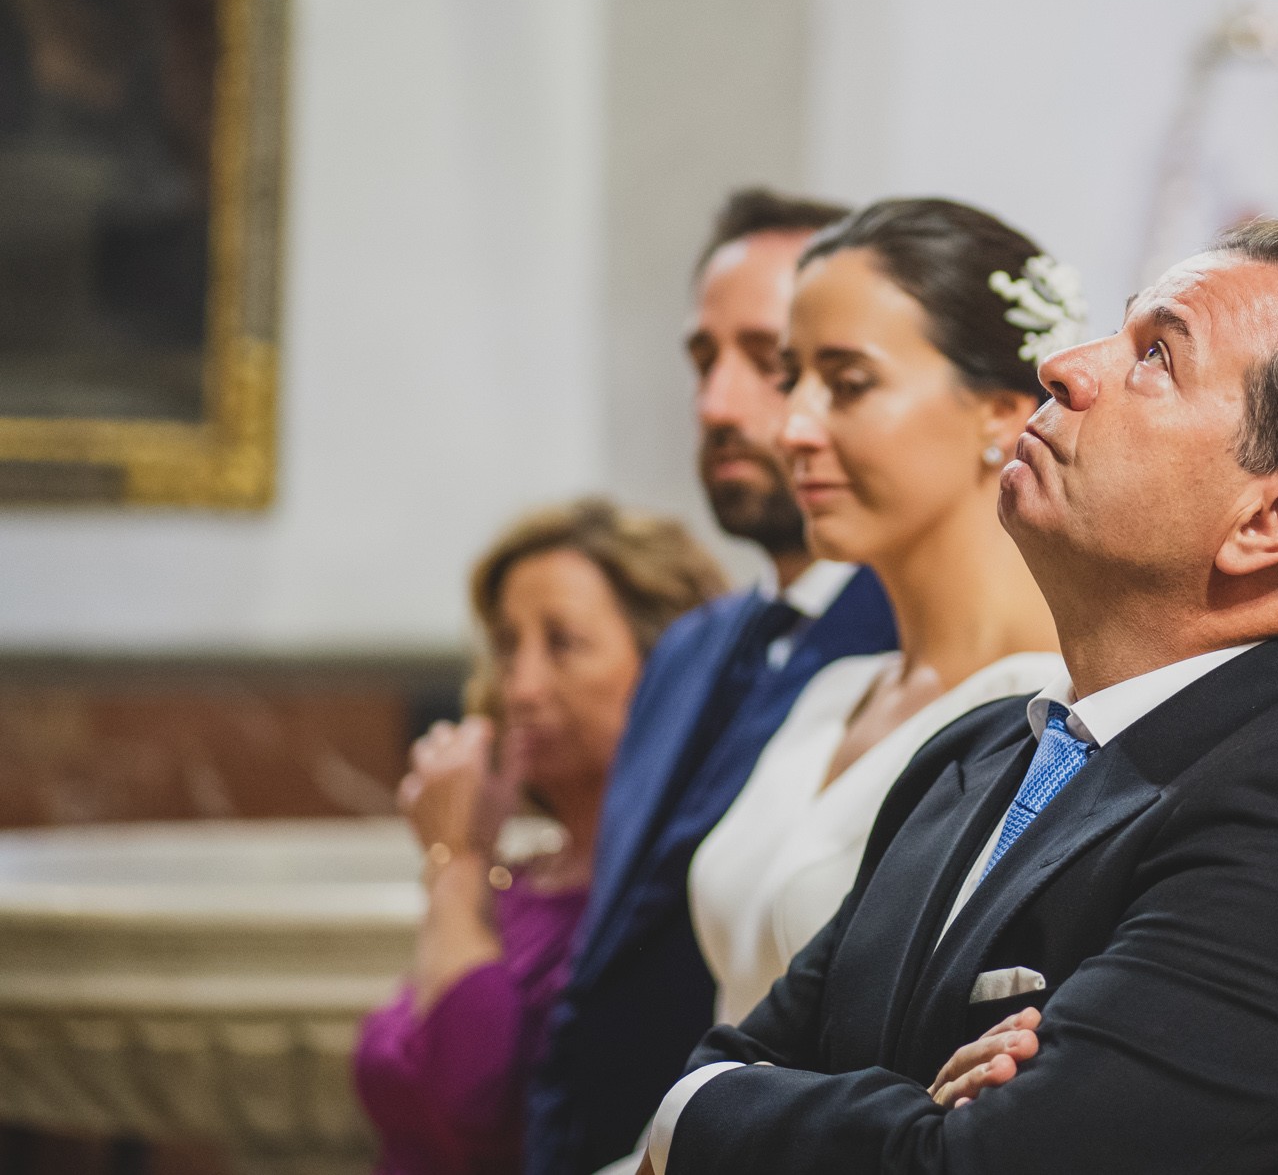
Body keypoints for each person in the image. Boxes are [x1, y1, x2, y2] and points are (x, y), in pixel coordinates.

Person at [640, 219, 1278, 1174]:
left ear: (1270, 519)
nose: (1062, 366)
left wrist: (711, 1118)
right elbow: (729, 1062)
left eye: (1156, 355)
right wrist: (887, 1111)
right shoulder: (976, 750)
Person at [525, 191, 901, 1175]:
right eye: (703, 360)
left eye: (768, 362)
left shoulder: (908, 647)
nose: (718, 405)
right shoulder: (690, 648)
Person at [688, 198, 1071, 1024]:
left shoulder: (1048, 714)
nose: (792, 426)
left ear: (1002, 411)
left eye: (848, 383)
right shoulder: (834, 692)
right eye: (794, 379)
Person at [354, 499, 725, 1175]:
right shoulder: (517, 880)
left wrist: (458, 856)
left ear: (666, 665)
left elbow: (478, 1102)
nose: (520, 687)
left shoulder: (663, 893)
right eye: (506, 645)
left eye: (562, 643)